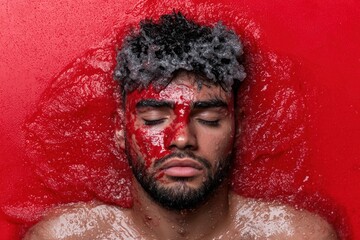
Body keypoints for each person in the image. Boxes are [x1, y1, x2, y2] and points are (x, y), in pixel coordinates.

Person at [24, 12, 337, 240]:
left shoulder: (298, 237)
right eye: (154, 119)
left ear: (237, 126)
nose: (183, 138)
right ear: (121, 128)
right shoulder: (63, 238)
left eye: (209, 119)